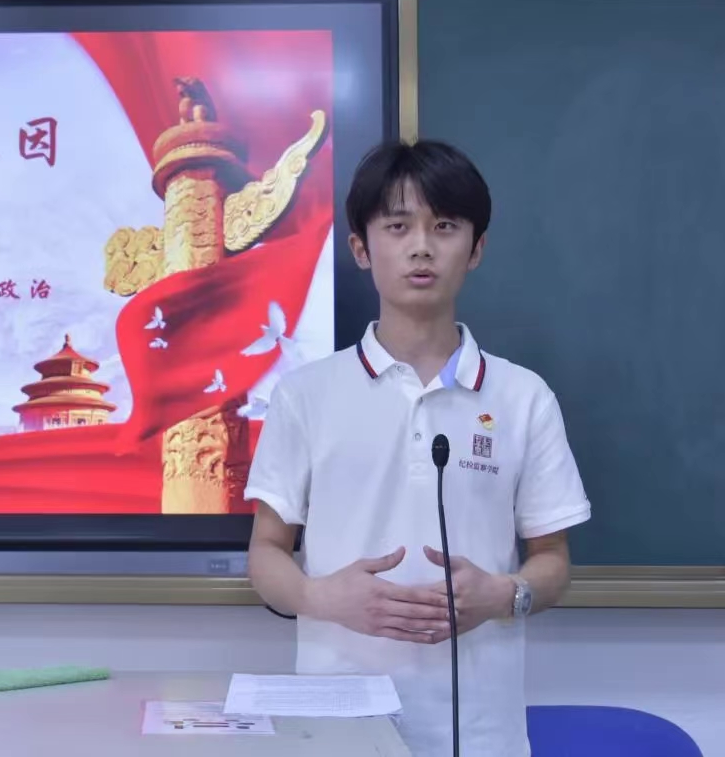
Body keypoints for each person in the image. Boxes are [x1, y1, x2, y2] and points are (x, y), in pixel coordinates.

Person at [244, 139, 592, 757]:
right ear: (361, 248)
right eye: (398, 226)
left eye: (446, 227)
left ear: (476, 249)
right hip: (337, 726)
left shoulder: (523, 397)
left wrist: (504, 594)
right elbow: (266, 553)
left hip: (478, 732)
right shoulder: (304, 395)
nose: (422, 247)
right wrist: (319, 596)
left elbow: (553, 561)